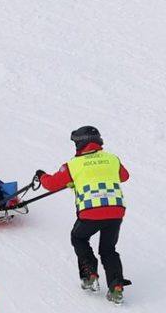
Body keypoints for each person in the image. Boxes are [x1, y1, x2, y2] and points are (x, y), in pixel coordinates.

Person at [34, 125, 130, 303]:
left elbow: (52, 184)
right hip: (116, 211)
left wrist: (41, 175)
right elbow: (124, 176)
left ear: (80, 143)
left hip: (91, 212)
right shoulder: (112, 159)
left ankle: (89, 274)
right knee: (109, 249)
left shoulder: (73, 164)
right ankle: (116, 286)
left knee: (78, 238)